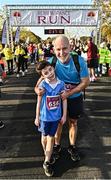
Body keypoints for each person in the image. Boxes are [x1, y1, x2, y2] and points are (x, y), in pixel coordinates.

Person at [35, 35, 89, 163]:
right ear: (53, 49)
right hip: (58, 98)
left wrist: (69, 93)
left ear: (70, 47)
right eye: (58, 49)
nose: (61, 52)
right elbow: (39, 82)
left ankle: (72, 146)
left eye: (64, 48)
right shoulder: (52, 62)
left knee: (73, 122)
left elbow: (85, 82)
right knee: (58, 122)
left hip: (74, 96)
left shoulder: (79, 61)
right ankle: (57, 146)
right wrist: (37, 90)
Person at [34, 60, 67, 177]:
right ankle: (46, 153)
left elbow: (64, 100)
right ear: (42, 76)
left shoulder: (61, 84)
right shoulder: (43, 86)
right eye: (46, 72)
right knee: (44, 138)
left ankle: (46, 161)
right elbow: (38, 103)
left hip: (55, 117)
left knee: (51, 138)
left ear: (53, 68)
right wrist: (37, 117)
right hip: (44, 118)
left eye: (50, 70)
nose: (50, 73)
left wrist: (64, 115)